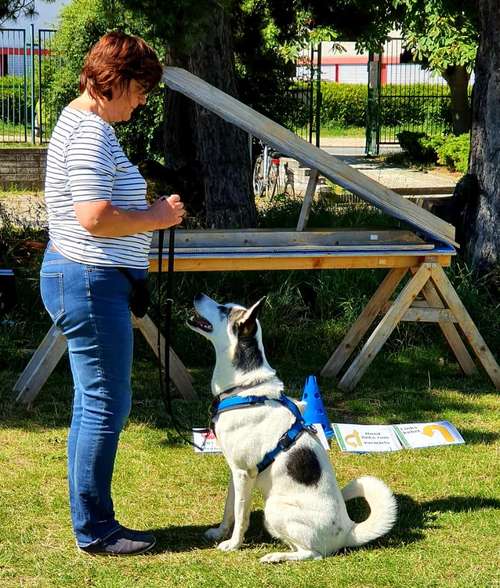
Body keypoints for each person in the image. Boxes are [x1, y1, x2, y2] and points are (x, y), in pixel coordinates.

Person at [39, 31, 185, 556]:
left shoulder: (83, 124)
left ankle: (92, 521)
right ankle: (97, 530)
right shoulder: (88, 132)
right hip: (87, 279)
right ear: (115, 81)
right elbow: (94, 217)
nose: (143, 101)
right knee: (106, 404)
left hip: (85, 277)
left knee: (93, 403)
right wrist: (157, 216)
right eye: (140, 89)